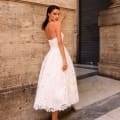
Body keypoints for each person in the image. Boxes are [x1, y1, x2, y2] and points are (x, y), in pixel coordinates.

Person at [33, 5, 79, 120]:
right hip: (58, 55)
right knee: (58, 86)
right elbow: (60, 43)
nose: (57, 16)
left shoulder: (47, 26)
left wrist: (61, 19)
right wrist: (64, 60)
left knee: (54, 86)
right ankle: (54, 118)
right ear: (48, 13)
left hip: (50, 57)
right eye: (54, 14)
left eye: (58, 14)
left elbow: (55, 28)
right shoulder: (56, 24)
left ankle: (55, 117)